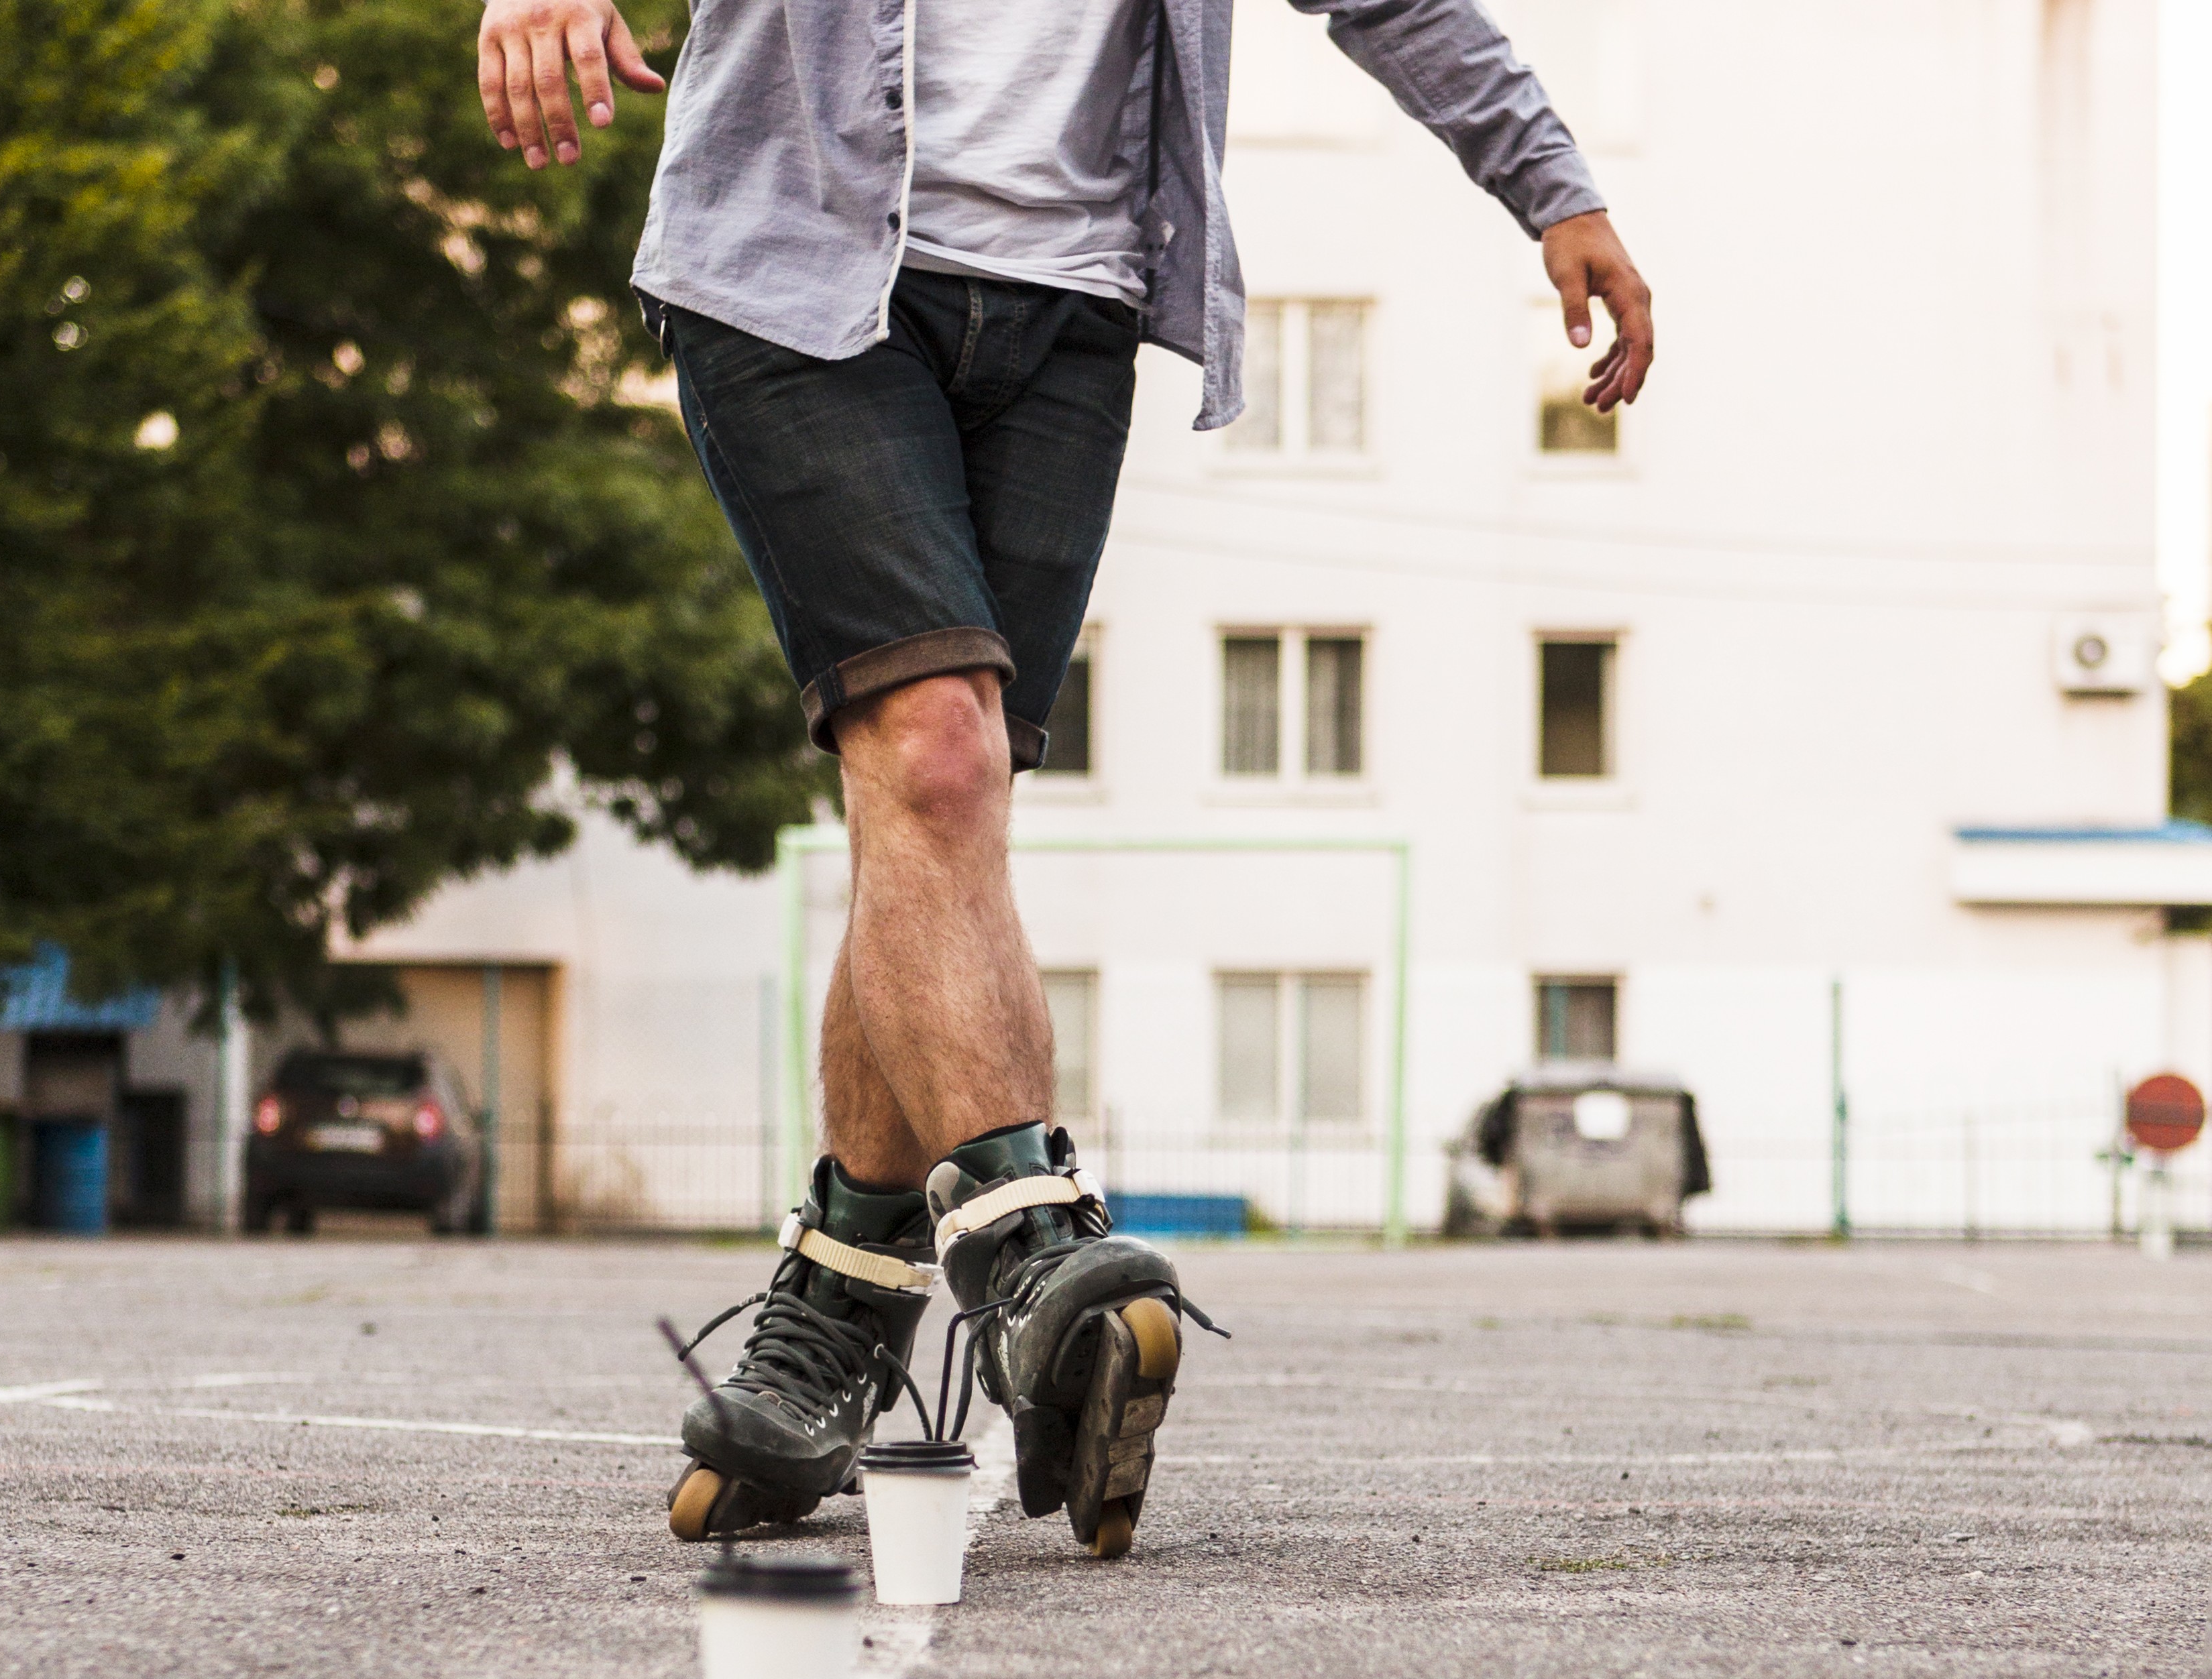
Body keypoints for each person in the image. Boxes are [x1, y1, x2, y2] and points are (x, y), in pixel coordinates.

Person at [477, 0, 1654, 1558]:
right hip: (797, 263)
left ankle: (831, 1317)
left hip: (1066, 303)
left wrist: (1551, 185)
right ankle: (1030, 1250)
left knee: (931, 819)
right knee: (937, 750)